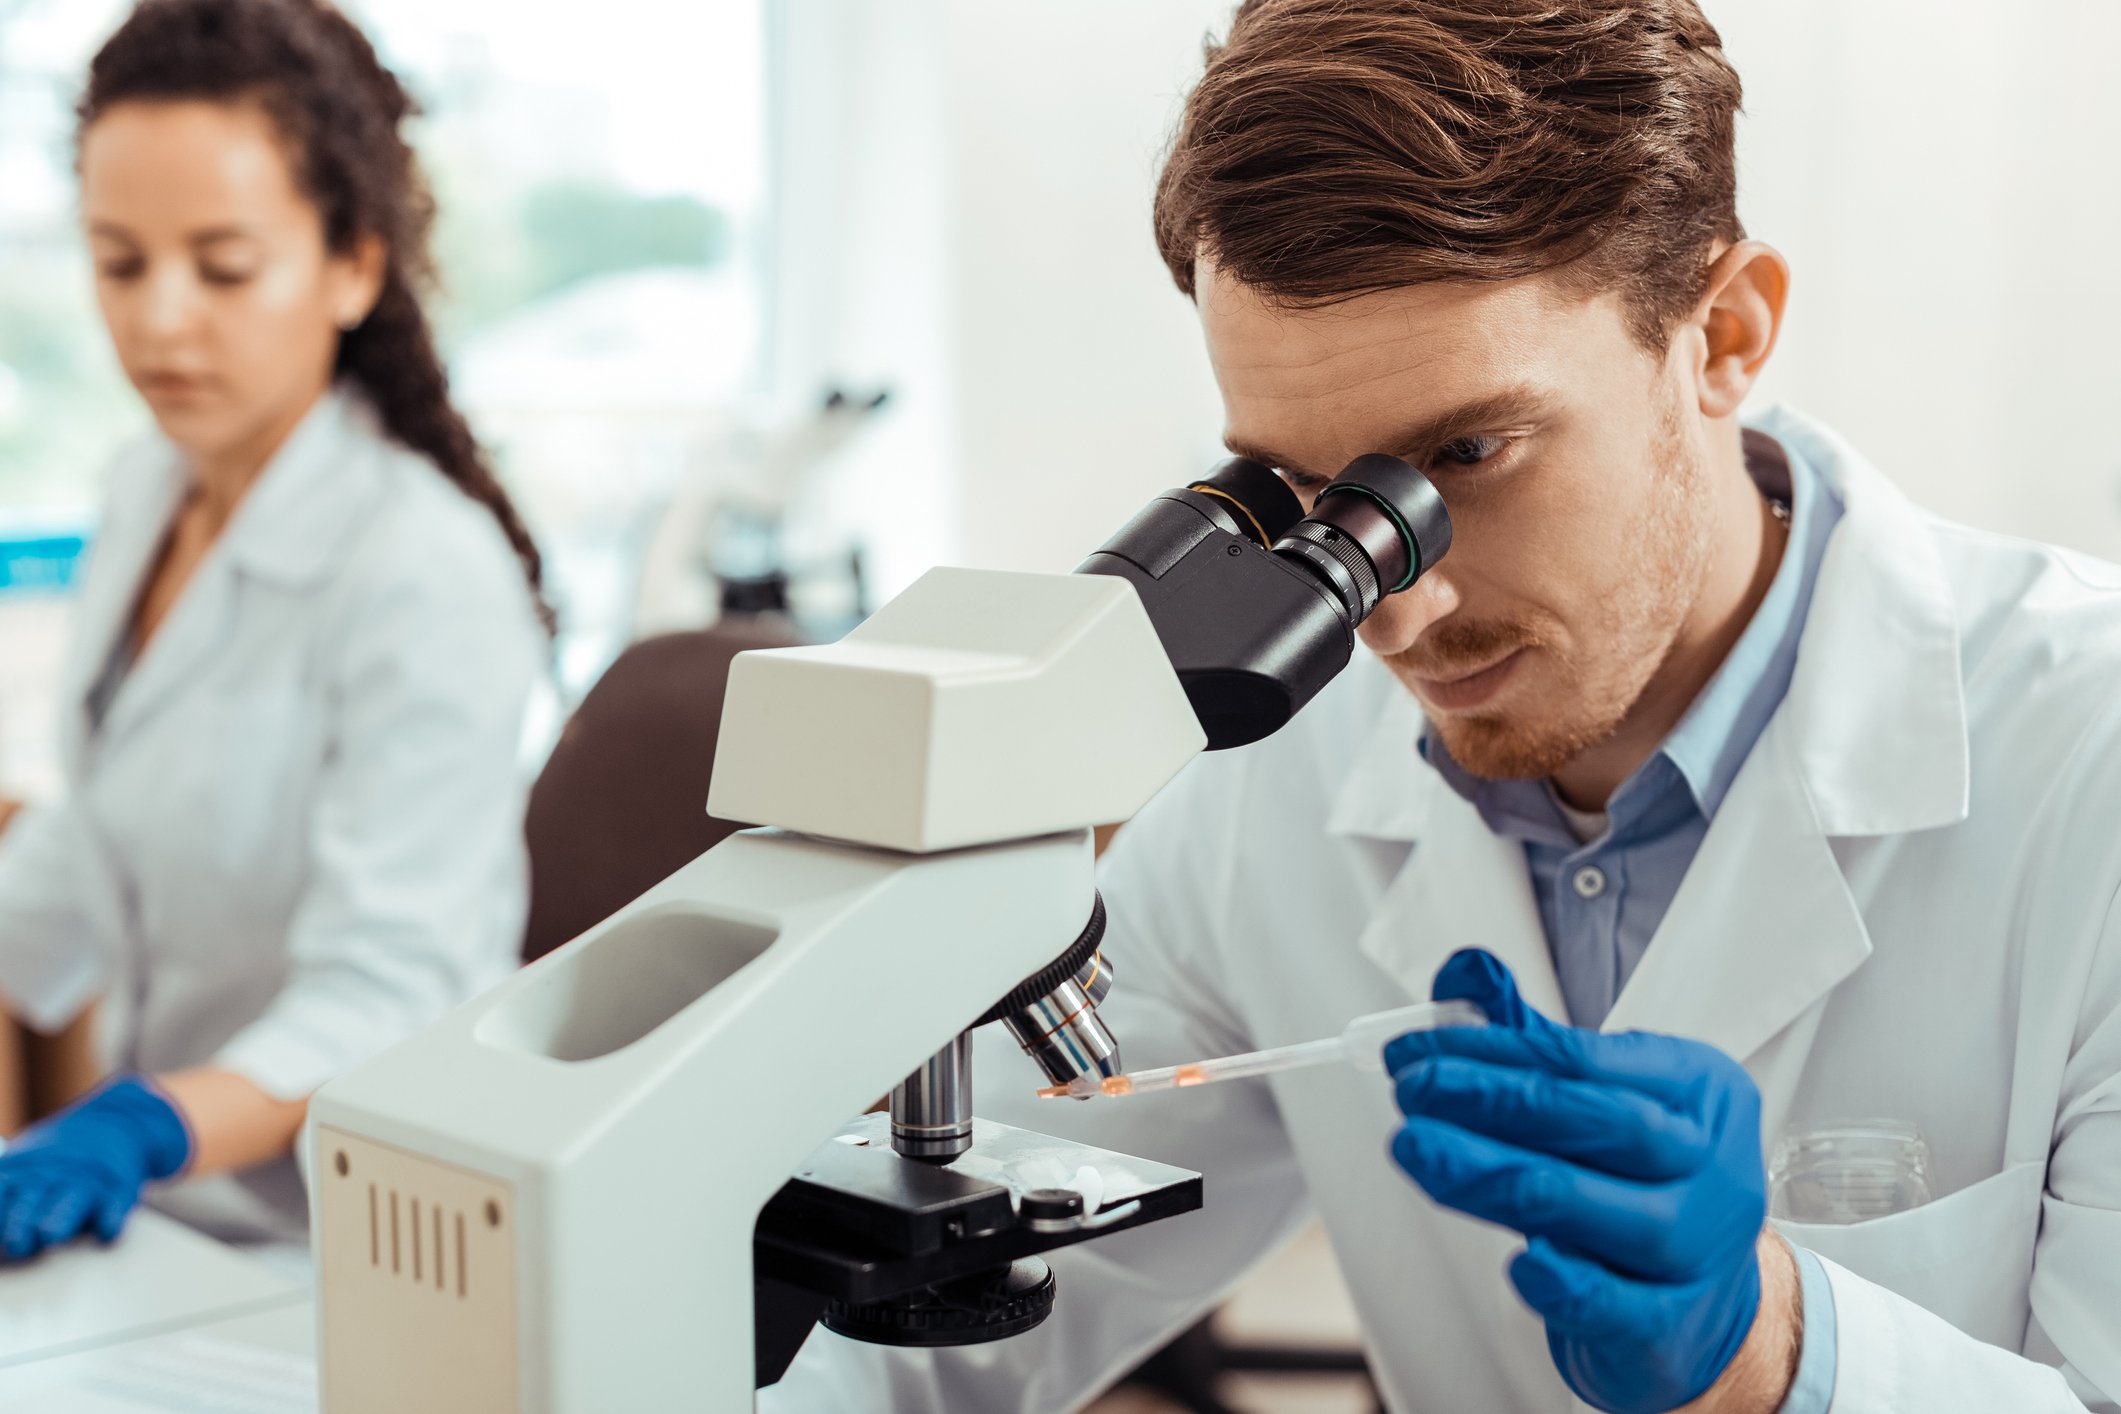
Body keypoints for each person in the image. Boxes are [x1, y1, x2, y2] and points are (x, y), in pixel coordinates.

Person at [766, 1, 2121, 1411]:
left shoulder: (2090, 759)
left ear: (1724, 332)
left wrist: (1777, 1346)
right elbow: (947, 1333)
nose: (1392, 611)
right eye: (1304, 496)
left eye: (1465, 452)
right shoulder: (1282, 783)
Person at [0, 0, 547, 1256]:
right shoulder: (147, 490)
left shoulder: (423, 571)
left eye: (224, 266)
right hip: (169, 1226)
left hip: (360, 1247)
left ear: (355, 262)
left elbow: (388, 995)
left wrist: (133, 1126)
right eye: (120, 262)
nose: (160, 320)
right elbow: (97, 834)